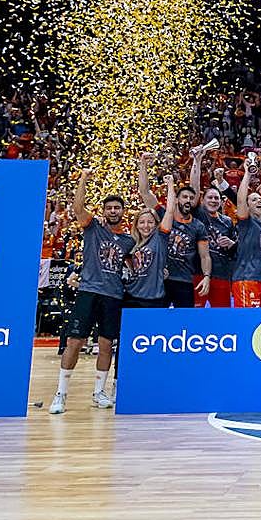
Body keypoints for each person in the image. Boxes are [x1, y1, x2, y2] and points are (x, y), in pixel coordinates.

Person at [50, 169, 133, 415]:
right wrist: (84, 178)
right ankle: (61, 394)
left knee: (107, 344)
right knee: (75, 342)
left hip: (113, 296)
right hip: (88, 291)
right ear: (104, 211)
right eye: (109, 208)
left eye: (117, 208)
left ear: (122, 211)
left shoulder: (129, 240)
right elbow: (77, 208)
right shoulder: (93, 228)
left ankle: (100, 392)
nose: (113, 211)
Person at [137, 153, 210, 308]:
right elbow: (144, 192)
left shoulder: (198, 226)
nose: (188, 201)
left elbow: (204, 256)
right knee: (156, 324)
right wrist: (143, 164)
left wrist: (207, 276)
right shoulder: (163, 215)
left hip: (184, 281)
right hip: (159, 279)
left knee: (184, 325)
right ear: (176, 199)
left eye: (191, 198)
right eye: (185, 197)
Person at [189, 148, 237, 307]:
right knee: (195, 316)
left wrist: (231, 244)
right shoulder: (198, 214)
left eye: (217, 198)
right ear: (202, 200)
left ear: (221, 201)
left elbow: (233, 252)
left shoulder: (228, 221)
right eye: (210, 197)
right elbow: (193, 189)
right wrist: (197, 161)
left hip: (222, 274)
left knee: (222, 318)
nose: (213, 200)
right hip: (198, 272)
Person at [123, 177, 174, 309]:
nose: (146, 226)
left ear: (157, 224)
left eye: (150, 222)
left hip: (153, 299)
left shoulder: (159, 238)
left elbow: (169, 211)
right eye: (142, 222)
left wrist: (170, 185)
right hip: (130, 297)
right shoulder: (131, 242)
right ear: (136, 225)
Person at [232, 158, 261, 307]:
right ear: (248, 207)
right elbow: (241, 200)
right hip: (246, 278)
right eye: (254, 200)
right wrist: (247, 174)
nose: (259, 201)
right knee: (247, 323)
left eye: (260, 199)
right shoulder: (246, 222)